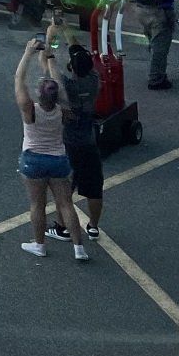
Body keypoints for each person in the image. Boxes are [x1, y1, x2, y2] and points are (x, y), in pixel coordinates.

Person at [14, 38, 88, 260]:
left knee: (37, 204)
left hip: (33, 161)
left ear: (39, 94)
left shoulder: (30, 110)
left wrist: (28, 52)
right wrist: (50, 57)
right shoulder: (62, 110)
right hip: (58, 160)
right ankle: (79, 248)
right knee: (66, 204)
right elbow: (60, 87)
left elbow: (19, 79)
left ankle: (40, 245)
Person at [51, 32, 104, 243]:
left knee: (64, 189)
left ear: (72, 68)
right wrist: (64, 27)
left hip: (69, 145)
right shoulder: (93, 80)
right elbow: (78, 53)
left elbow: (51, 66)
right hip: (89, 142)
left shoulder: (67, 87)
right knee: (94, 187)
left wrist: (48, 40)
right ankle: (93, 226)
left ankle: (62, 227)